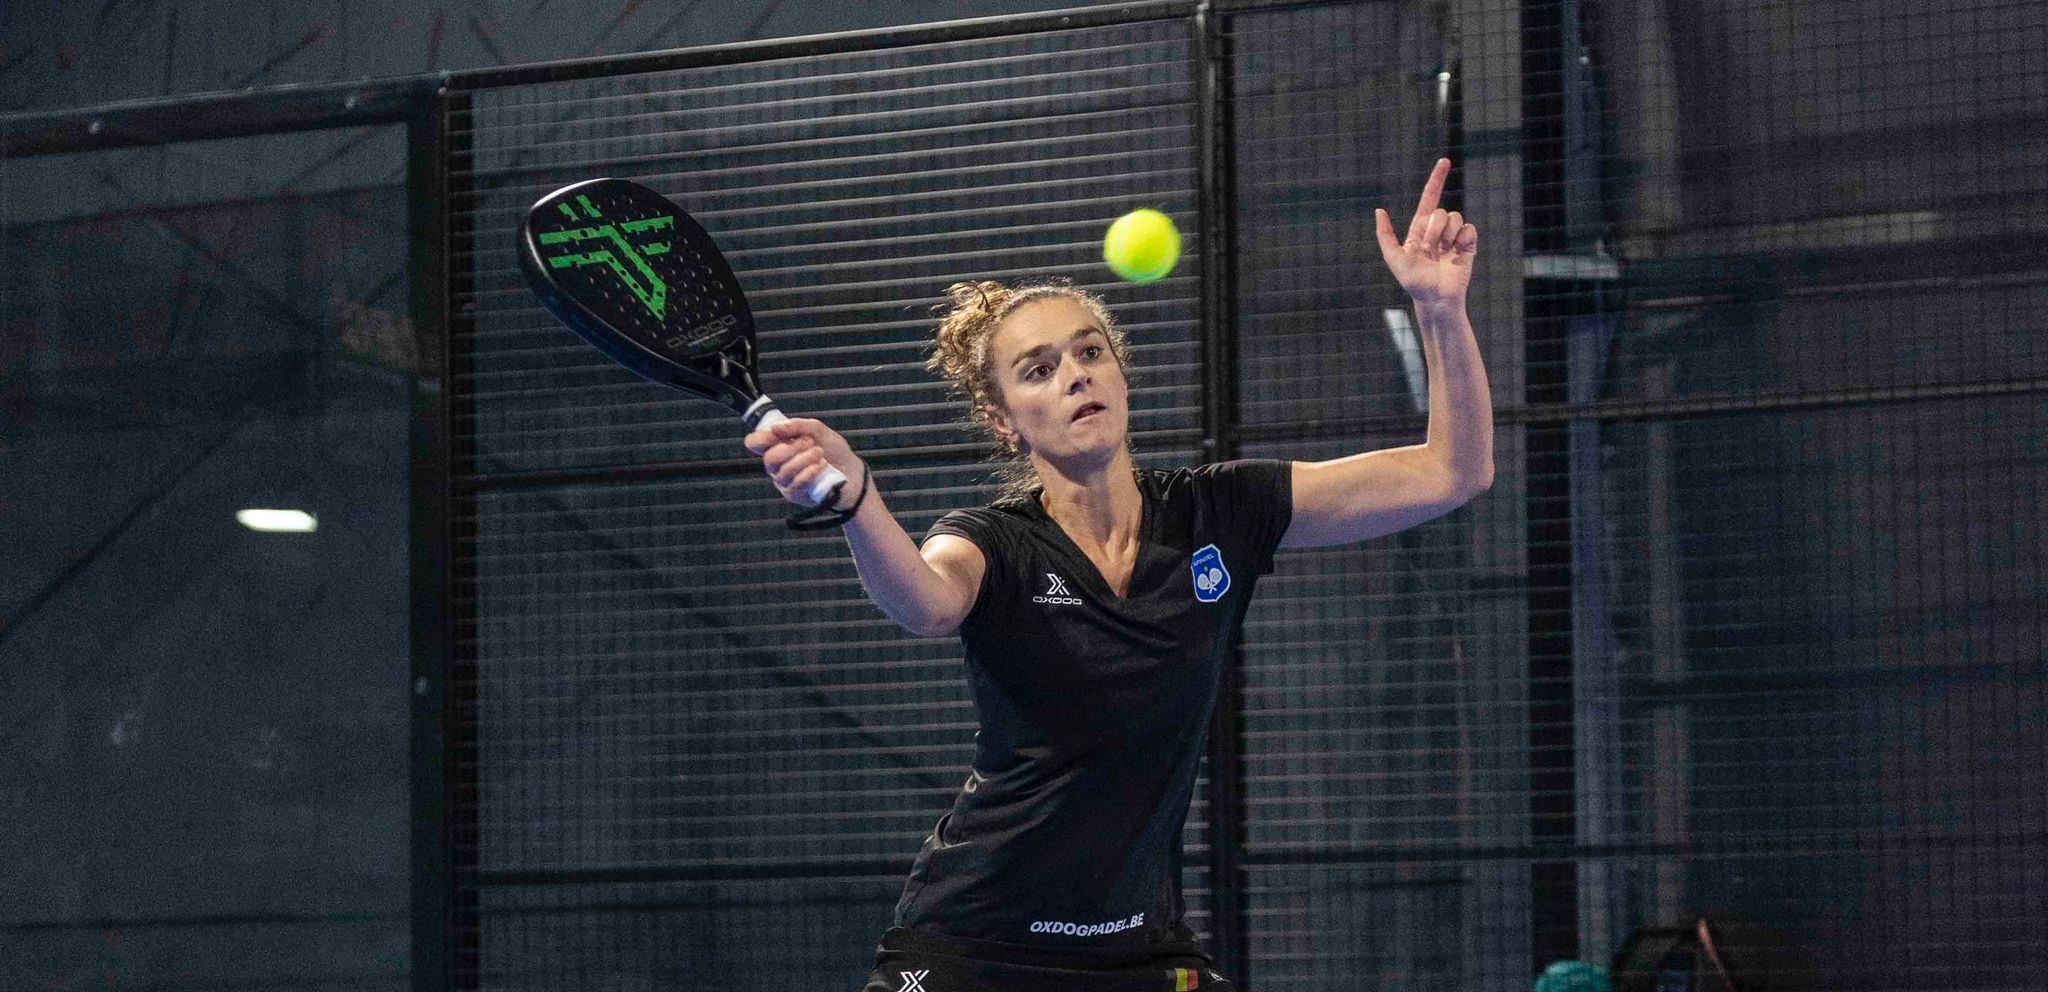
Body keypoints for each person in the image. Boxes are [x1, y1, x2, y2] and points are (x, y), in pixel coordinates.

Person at [743, 158, 1492, 992]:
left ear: (1121, 372)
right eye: (1038, 369)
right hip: (978, 945)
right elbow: (925, 602)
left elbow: (1451, 473)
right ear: (1003, 420)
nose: (1075, 375)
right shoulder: (994, 543)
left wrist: (1439, 309)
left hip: (1136, 945)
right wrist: (858, 502)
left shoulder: (1222, 513)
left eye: (1089, 351)